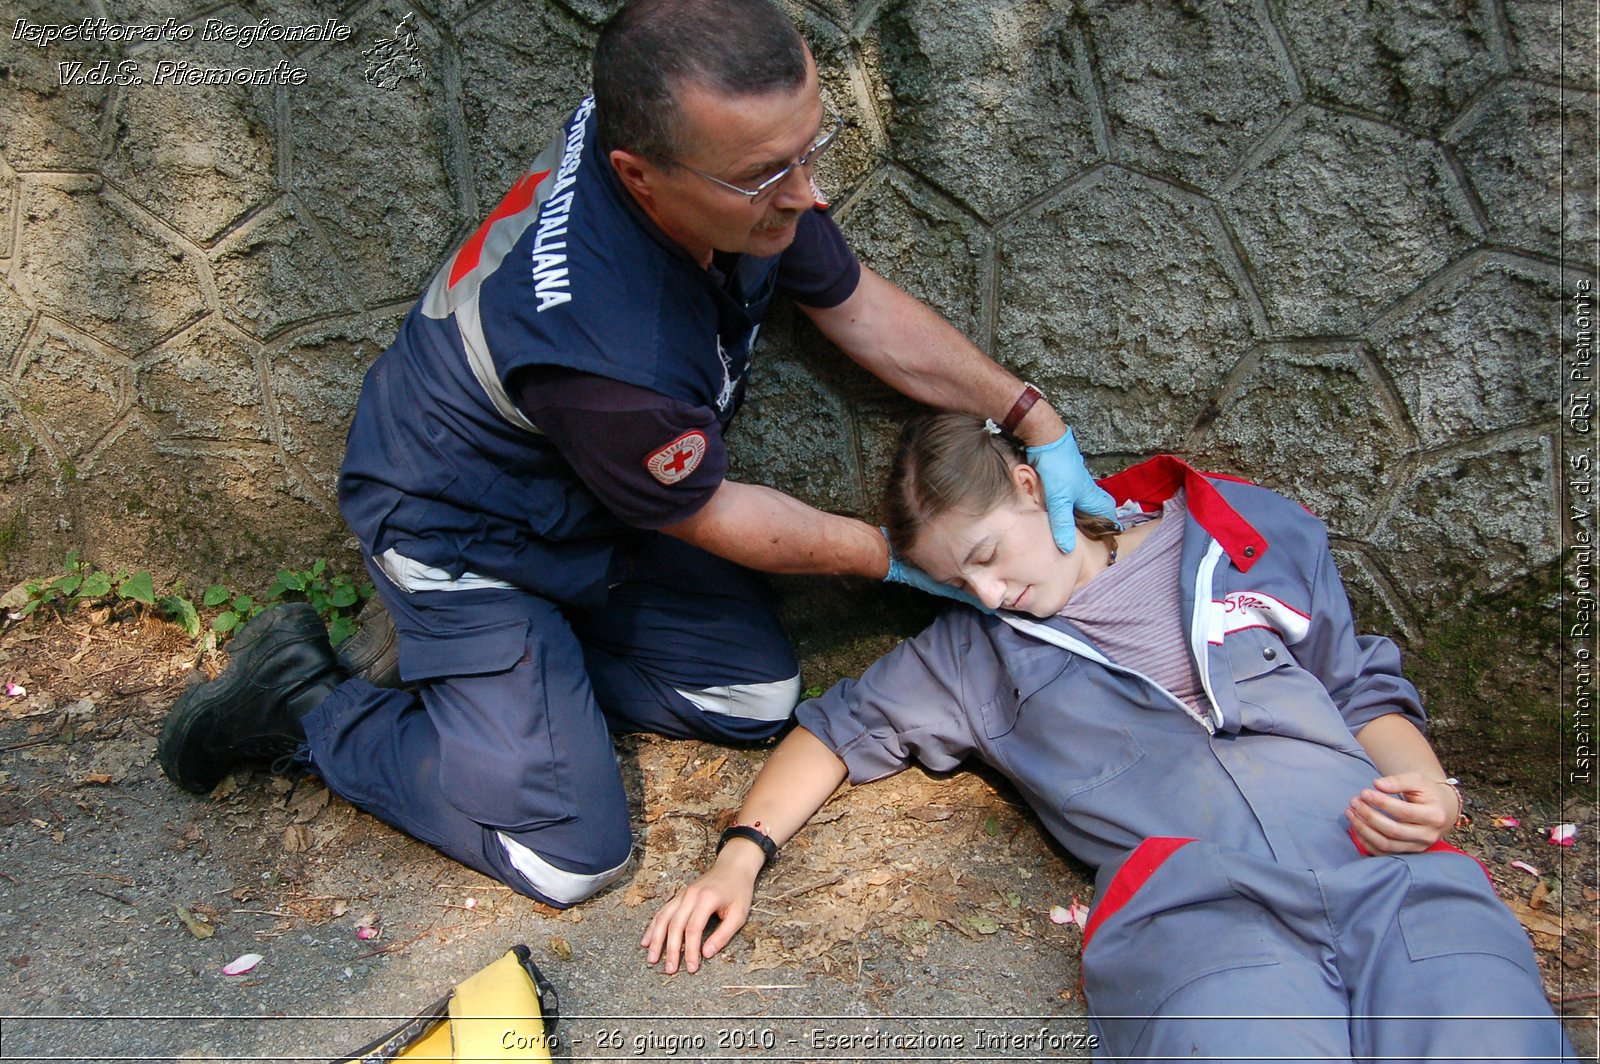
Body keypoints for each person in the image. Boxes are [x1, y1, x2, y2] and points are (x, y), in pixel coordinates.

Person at [154, 0, 1115, 910]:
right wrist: (905, 562)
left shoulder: (706, 157)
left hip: (592, 506)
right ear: (641, 173)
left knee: (754, 696)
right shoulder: (605, 343)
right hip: (462, 527)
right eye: (766, 176)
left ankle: (497, 690)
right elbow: (717, 512)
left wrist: (1031, 415)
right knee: (568, 857)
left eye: (809, 150)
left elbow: (852, 300)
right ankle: (309, 706)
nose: (808, 194)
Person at [642, 413, 1579, 1061]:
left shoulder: (1235, 534)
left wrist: (1431, 786)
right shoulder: (974, 657)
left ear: (1027, 482)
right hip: (1203, 914)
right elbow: (835, 732)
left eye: (987, 557)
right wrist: (739, 858)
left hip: (1381, 858)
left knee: (1489, 1037)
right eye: (957, 583)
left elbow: (1355, 677)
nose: (990, 594)